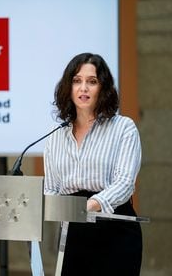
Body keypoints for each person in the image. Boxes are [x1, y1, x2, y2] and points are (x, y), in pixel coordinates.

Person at [44, 52, 142, 275]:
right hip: (72, 234)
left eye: (92, 81)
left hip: (115, 231)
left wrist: (86, 207)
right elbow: (51, 188)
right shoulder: (55, 135)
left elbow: (125, 183)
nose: (83, 88)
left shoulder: (123, 128)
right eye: (77, 81)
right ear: (68, 87)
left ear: (103, 88)